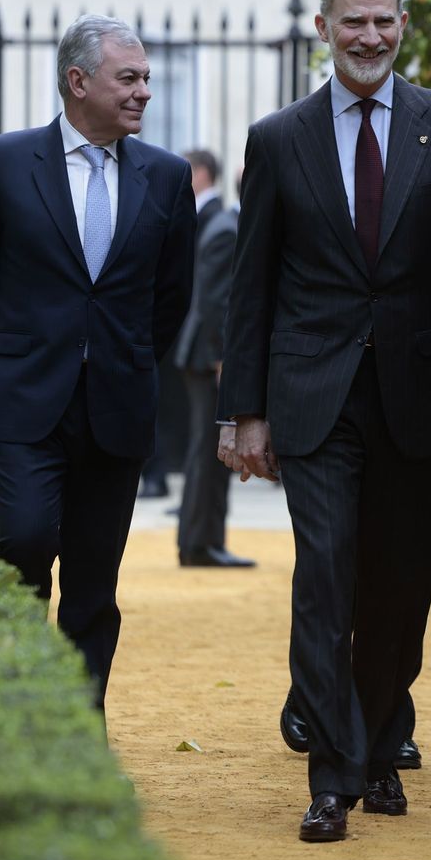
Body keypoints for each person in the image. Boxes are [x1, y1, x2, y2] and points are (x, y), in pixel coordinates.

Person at [217, 0, 431, 843]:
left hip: (419, 400)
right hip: (315, 397)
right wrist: (245, 410)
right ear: (323, 28)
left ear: (404, 26)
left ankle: (381, 745)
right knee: (327, 574)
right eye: (353, 22)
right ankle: (333, 774)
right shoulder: (277, 138)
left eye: (383, 22)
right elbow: (251, 282)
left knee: (398, 589)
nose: (369, 37)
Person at [0, 14, 196, 708]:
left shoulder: (169, 178)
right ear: (77, 81)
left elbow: (173, 296)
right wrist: (2, 363)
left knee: (93, 581)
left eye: (147, 78)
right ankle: (22, 694)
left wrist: (129, 361)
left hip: (116, 405)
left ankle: (79, 728)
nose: (144, 91)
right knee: (24, 539)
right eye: (130, 78)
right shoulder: (3, 161)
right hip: (23, 401)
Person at [171, 148, 252, 568]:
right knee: (208, 452)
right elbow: (216, 303)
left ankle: (205, 541)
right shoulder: (228, 229)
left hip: (208, 358)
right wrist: (224, 361)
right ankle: (199, 544)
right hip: (209, 361)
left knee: (213, 452)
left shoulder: (228, 224)